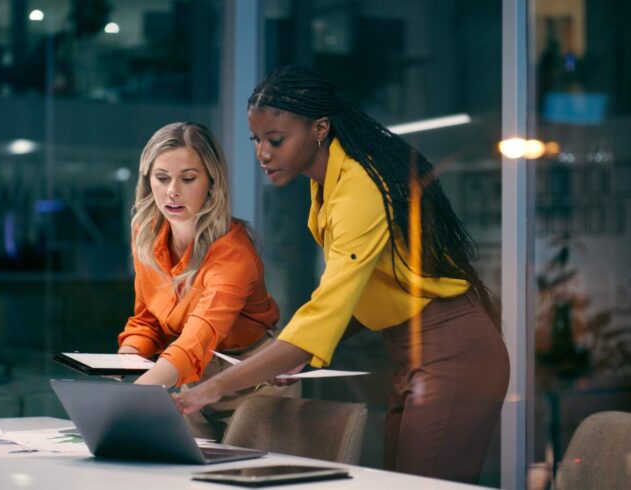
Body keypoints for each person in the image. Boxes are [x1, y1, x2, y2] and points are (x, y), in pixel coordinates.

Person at [175, 66, 510, 483]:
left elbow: (329, 307)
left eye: (275, 140)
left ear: (320, 129)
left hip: (453, 349)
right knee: (402, 481)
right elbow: (363, 295)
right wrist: (297, 351)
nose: (262, 153)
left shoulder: (358, 188)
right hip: (412, 350)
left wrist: (213, 388)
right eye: (257, 140)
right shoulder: (326, 183)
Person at [117, 122, 298, 441]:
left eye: (188, 179)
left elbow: (199, 336)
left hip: (253, 379)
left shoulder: (234, 251)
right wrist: (125, 362)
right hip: (189, 378)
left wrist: (131, 399)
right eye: (161, 178)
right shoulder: (146, 236)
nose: (172, 191)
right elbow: (148, 320)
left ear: (212, 184)